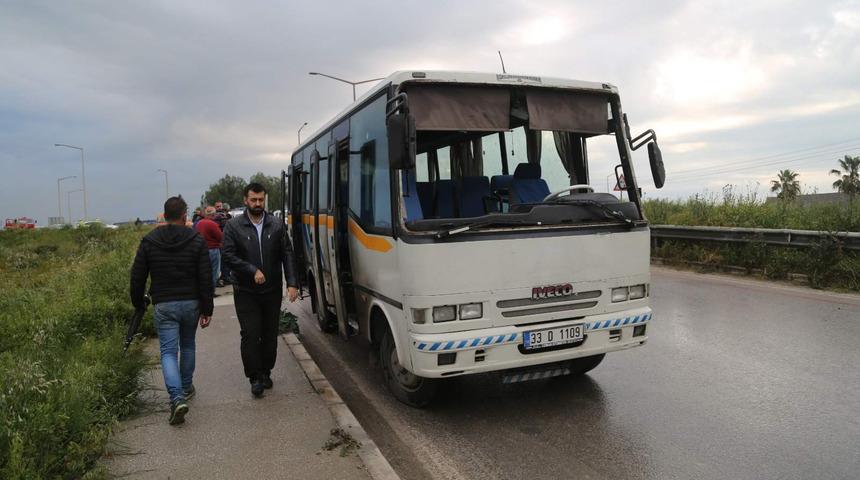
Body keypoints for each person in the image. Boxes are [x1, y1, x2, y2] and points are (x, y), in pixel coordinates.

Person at [129, 196, 214, 425]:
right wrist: (208, 308)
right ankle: (186, 387)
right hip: (191, 302)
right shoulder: (196, 239)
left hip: (164, 304)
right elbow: (205, 276)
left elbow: (137, 276)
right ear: (185, 215)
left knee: (167, 352)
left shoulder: (149, 241)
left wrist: (138, 302)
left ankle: (176, 398)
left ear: (164, 215)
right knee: (187, 345)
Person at [222, 183, 299, 398]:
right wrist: (251, 269)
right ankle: (254, 377)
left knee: (269, 334)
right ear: (246, 200)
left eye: (261, 200)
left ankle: (266, 372)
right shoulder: (234, 226)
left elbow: (287, 254)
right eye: (254, 200)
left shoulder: (276, 225)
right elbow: (227, 255)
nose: (258, 204)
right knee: (250, 333)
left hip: (272, 290)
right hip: (246, 291)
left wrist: (292, 283)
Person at [195, 206, 223, 291]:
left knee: (204, 272)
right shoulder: (212, 224)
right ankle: (211, 290)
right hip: (213, 249)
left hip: (202, 250)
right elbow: (220, 237)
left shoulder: (199, 223)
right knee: (214, 272)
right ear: (213, 215)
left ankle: (205, 290)